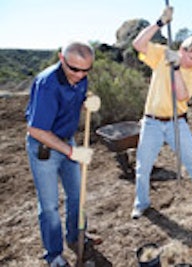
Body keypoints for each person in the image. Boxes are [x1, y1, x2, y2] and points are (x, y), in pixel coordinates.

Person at [131, 6, 192, 223]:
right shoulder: (162, 54)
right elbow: (138, 44)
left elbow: (181, 96)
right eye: (189, 57)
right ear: (181, 48)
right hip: (152, 122)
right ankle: (141, 204)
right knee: (143, 167)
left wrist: (177, 68)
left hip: (176, 123)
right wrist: (160, 23)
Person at [25, 41, 101, 266]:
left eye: (85, 70)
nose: (79, 75)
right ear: (61, 58)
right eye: (74, 69)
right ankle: (54, 254)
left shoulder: (81, 77)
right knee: (49, 206)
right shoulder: (47, 84)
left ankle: (77, 236)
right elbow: (35, 129)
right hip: (44, 147)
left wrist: (88, 101)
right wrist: (72, 152)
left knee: (77, 195)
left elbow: (78, 97)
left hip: (67, 142)